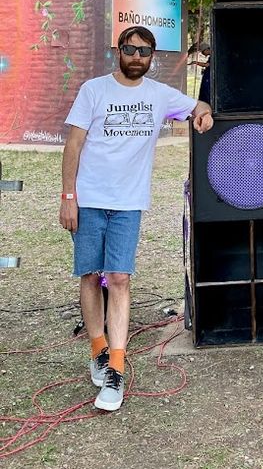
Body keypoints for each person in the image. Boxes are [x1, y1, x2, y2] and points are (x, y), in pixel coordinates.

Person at [59, 25, 214, 412]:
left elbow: (198, 106)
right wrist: (68, 198)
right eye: (129, 49)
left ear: (152, 57)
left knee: (121, 277)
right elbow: (73, 145)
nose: (136, 56)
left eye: (144, 51)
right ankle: (98, 350)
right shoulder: (94, 90)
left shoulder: (159, 95)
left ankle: (115, 367)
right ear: (118, 51)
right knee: (92, 276)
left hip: (130, 203)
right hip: (90, 199)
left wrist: (204, 114)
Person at [189, 41, 211, 105]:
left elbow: (207, 65)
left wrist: (195, 62)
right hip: (207, 75)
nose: (203, 54)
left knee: (206, 91)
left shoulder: (213, 56)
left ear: (206, 49)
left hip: (208, 77)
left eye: (203, 52)